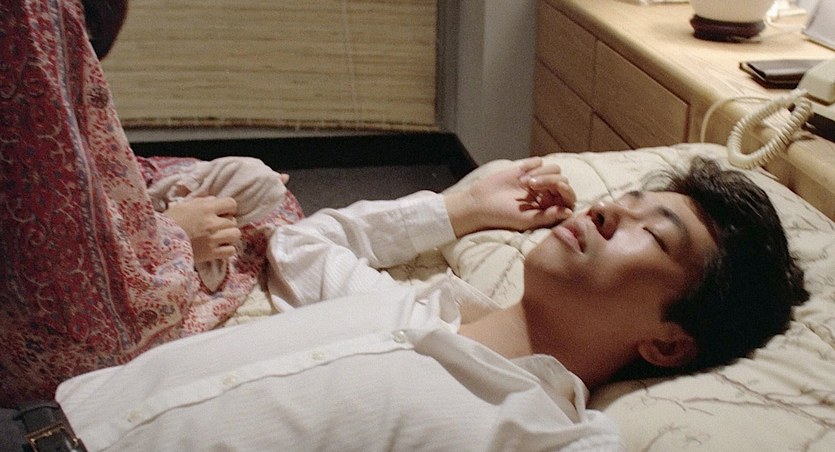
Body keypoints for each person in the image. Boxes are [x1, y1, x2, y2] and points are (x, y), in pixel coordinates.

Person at [9, 155, 805, 451]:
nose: (605, 211)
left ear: (667, 342)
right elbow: (301, 243)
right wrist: (458, 209)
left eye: (651, 234)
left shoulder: (548, 434)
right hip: (41, 414)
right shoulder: (416, 305)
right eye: (620, 199)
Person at [0, 0, 303, 407]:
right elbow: (82, 287)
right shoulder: (29, 15)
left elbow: (80, 161)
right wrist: (177, 237)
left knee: (248, 184)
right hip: (45, 329)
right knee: (267, 222)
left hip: (65, 225)